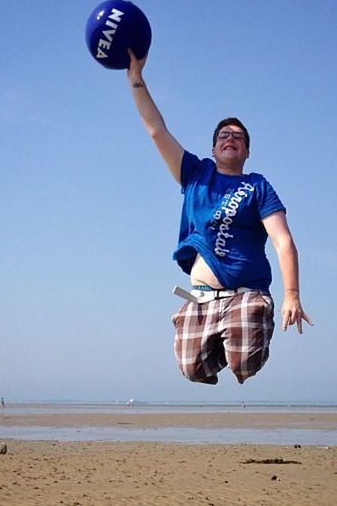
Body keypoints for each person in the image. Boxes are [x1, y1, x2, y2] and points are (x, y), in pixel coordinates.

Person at [126, 49, 313, 385]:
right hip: (200, 296)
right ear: (213, 149)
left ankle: (245, 334)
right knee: (191, 370)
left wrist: (293, 294)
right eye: (224, 136)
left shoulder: (257, 186)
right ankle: (214, 342)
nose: (231, 139)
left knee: (245, 365)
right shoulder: (196, 174)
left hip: (246, 293)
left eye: (238, 138)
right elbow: (157, 130)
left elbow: (283, 240)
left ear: (247, 151)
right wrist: (136, 79)